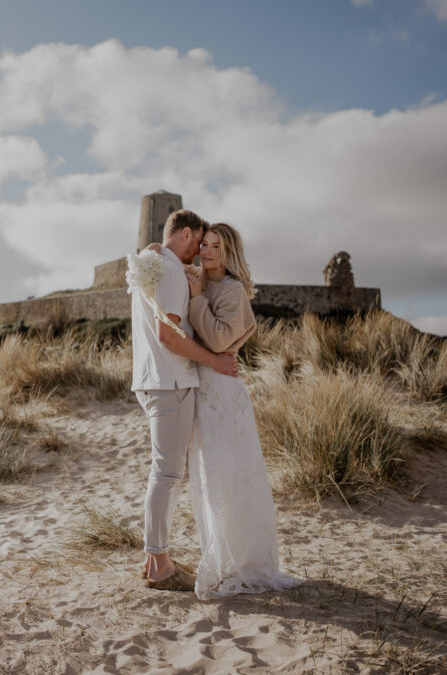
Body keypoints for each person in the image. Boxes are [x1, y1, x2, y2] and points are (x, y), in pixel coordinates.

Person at [183, 222, 304, 600]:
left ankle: (242, 564)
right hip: (202, 388)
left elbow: (218, 339)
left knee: (230, 476)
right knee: (209, 477)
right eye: (204, 244)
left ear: (229, 252)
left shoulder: (232, 290)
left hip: (221, 391)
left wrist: (197, 299)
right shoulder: (196, 279)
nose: (207, 252)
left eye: (216, 247)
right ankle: (219, 556)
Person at [130, 209, 239, 591]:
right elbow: (169, 336)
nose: (200, 252)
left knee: (164, 471)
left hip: (153, 380)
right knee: (167, 474)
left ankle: (153, 559)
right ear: (187, 234)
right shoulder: (171, 271)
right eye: (199, 242)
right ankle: (160, 563)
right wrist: (214, 361)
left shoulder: (153, 264)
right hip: (171, 382)